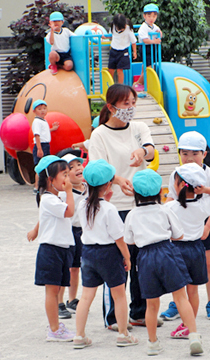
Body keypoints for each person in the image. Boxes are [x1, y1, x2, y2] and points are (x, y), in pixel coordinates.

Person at [87, 83, 160, 330]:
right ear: (111, 107)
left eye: (132, 103)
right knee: (118, 265)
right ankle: (113, 318)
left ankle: (139, 313)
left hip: (141, 205)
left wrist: (142, 151)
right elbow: (97, 170)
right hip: (115, 206)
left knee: (142, 262)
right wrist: (117, 179)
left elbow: (150, 150)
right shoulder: (99, 135)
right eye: (125, 104)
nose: (130, 108)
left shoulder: (139, 128)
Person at [124, 169, 203, 356]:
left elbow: (130, 240)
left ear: (135, 193)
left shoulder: (132, 215)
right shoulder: (164, 210)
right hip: (167, 252)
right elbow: (179, 234)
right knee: (181, 297)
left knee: (151, 304)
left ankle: (152, 343)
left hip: (145, 257)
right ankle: (193, 336)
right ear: (159, 191)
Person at [161, 131, 210, 321]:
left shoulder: (209, 174)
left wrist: (208, 227)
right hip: (182, 226)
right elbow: (172, 197)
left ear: (204, 154)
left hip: (205, 223)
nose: (189, 158)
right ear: (179, 154)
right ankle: (177, 303)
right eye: (185, 154)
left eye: (195, 153)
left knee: (207, 264)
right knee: (180, 266)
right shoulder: (176, 173)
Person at [73, 159, 138, 349]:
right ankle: (123, 334)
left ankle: (79, 335)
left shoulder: (82, 205)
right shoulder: (110, 209)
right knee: (119, 295)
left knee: (86, 297)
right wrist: (127, 257)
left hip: (89, 253)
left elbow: (95, 211)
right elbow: (119, 238)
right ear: (109, 185)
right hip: (109, 254)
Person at [164, 163, 210, 338]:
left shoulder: (170, 208)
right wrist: (203, 190)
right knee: (193, 291)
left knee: (179, 294)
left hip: (176, 250)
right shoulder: (203, 206)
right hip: (197, 249)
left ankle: (185, 324)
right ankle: (189, 325)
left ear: (180, 185)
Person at [27, 155, 76, 341]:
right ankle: (54, 330)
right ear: (50, 179)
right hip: (51, 250)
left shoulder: (56, 196)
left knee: (56, 290)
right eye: (64, 174)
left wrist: (36, 230)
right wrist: (70, 192)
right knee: (52, 291)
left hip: (61, 248)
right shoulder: (48, 199)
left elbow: (45, 218)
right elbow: (69, 212)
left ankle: (56, 327)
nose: (67, 178)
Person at [57, 153, 88, 316]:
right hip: (68, 232)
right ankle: (59, 302)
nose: (77, 168)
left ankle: (72, 299)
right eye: (71, 167)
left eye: (79, 164)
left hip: (82, 233)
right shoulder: (63, 194)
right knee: (66, 268)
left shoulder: (88, 189)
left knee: (76, 268)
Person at [31, 99, 59, 194]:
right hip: (41, 145)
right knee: (40, 167)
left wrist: (52, 129)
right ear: (34, 111)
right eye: (39, 109)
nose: (42, 110)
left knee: (45, 166)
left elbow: (44, 132)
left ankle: (42, 185)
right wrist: (39, 148)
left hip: (45, 145)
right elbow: (37, 135)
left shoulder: (43, 121)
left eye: (44, 108)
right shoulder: (37, 122)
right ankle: (36, 186)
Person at [133, 3, 162, 92]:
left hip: (151, 47)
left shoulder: (153, 26)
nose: (151, 18)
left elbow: (159, 31)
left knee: (145, 66)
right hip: (146, 48)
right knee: (149, 68)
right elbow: (145, 40)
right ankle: (138, 83)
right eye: (149, 16)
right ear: (144, 16)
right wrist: (155, 41)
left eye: (154, 16)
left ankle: (142, 83)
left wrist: (159, 34)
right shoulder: (144, 27)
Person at [108, 14, 137, 84]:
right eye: (120, 28)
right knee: (111, 69)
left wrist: (134, 52)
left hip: (123, 51)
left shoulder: (128, 28)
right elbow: (110, 35)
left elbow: (133, 41)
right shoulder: (113, 27)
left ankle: (120, 86)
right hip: (114, 50)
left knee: (119, 70)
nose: (122, 29)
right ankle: (110, 86)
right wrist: (104, 37)